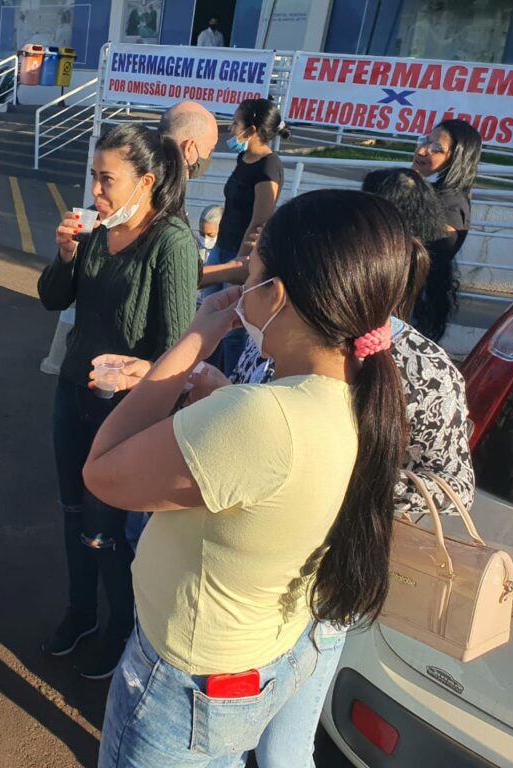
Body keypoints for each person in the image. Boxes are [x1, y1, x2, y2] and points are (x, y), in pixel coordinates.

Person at [86, 189, 413, 766]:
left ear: (278, 295)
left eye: (253, 274)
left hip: (188, 680)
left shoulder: (266, 418)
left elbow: (103, 472)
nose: (241, 287)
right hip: (261, 655)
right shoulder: (357, 397)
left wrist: (193, 339)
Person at [37, 124, 199, 680]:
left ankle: (120, 627)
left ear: (146, 182)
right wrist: (63, 256)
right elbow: (52, 298)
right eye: (94, 178)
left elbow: (182, 351)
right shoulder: (95, 232)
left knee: (106, 530)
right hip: (73, 399)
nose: (97, 191)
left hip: (126, 417)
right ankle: (80, 613)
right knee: (72, 514)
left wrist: (138, 375)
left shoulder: (171, 243)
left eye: (108, 180)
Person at [204, 98, 289, 375]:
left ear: (251, 130)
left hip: (239, 257)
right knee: (209, 315)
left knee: (233, 329)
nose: (231, 129)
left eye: (235, 124)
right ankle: (203, 374)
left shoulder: (269, 168)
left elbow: (259, 222)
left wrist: (239, 261)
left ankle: (225, 382)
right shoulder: (244, 158)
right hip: (223, 248)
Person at [410, 118, 483, 341]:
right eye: (425, 141)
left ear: (456, 159)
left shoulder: (452, 205)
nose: (422, 150)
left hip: (411, 308)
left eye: (435, 148)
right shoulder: (429, 190)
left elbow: (433, 256)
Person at [157, 100, 220, 179]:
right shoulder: (163, 188)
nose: (210, 155)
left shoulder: (142, 171)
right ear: (188, 148)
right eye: (210, 148)